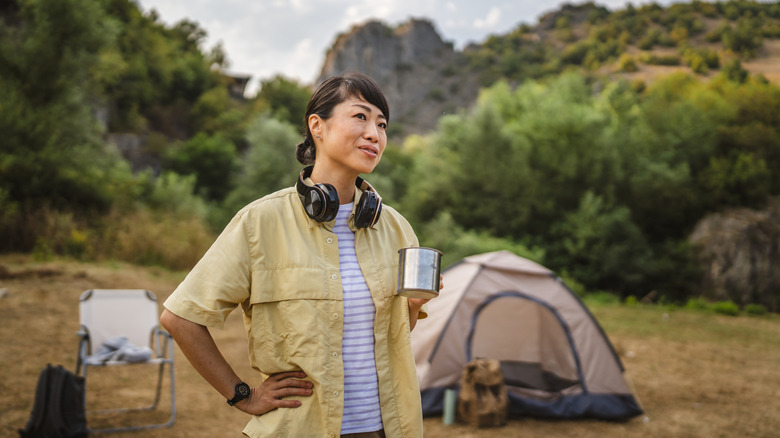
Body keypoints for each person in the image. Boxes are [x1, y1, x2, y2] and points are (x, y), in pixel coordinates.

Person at [160, 72, 436, 438]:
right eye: (361, 117)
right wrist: (242, 395)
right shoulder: (259, 222)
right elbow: (180, 318)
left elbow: (392, 336)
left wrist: (413, 307)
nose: (375, 134)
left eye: (382, 124)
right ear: (317, 126)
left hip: (389, 429)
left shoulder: (397, 228)